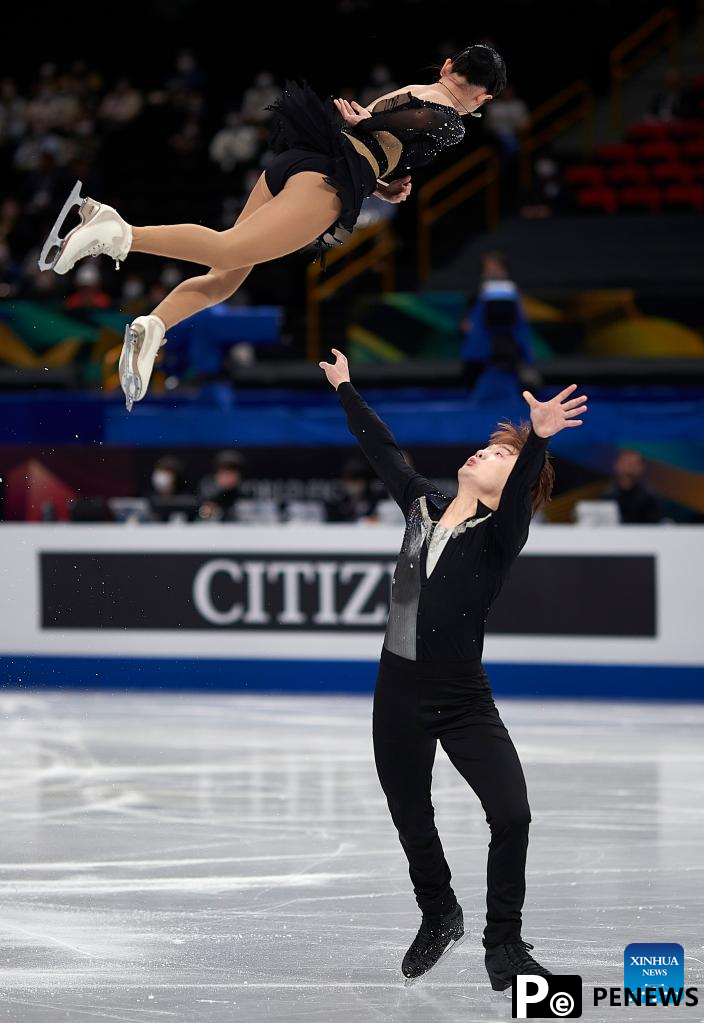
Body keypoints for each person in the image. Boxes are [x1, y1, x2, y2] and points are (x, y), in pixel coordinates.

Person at [318, 347, 589, 988]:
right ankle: (439, 911)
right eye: (486, 449)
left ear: (510, 481)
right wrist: (346, 389)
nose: (481, 455)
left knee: (512, 815)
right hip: (396, 686)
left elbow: (522, 490)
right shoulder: (422, 505)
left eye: (496, 457)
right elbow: (383, 452)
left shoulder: (501, 536)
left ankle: (506, 945)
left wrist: (534, 446)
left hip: (460, 694)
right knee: (409, 809)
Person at [36, 45, 506, 408]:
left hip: (303, 161)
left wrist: (382, 183)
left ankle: (153, 325)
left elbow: (376, 137)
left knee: (228, 276)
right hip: (326, 185)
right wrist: (376, 147)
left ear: (447, 65)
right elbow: (400, 126)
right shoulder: (452, 121)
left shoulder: (414, 89)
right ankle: (116, 230)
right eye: (480, 104)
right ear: (482, 96)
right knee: (226, 251)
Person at [600, 449, 663, 524]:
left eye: (634, 464)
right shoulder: (607, 495)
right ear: (617, 465)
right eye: (627, 463)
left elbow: (655, 525)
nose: (630, 467)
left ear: (641, 467)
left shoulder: (650, 496)